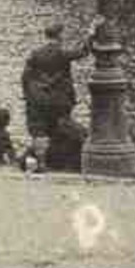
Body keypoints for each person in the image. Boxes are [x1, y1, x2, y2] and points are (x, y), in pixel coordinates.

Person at [20, 22, 93, 163]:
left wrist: (28, 95)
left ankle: (41, 162)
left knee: (40, 133)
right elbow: (83, 51)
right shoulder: (62, 53)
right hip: (60, 101)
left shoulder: (35, 54)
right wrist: (91, 33)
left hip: (39, 100)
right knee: (61, 128)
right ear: (59, 36)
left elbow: (25, 77)